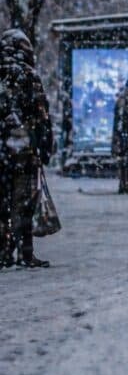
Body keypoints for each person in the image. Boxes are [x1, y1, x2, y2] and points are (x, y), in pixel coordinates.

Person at [0, 29, 54, 268]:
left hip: (2, 153)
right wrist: (44, 147)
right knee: (23, 204)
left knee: (2, 203)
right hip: (24, 154)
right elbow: (41, 116)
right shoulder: (28, 76)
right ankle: (24, 251)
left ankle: (3, 250)